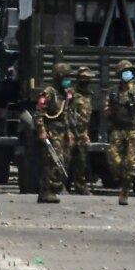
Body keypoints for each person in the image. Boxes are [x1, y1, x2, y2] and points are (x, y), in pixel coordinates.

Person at [105, 60, 135, 205]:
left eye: (130, 71)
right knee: (114, 160)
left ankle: (125, 190)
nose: (128, 74)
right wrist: (110, 109)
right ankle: (120, 177)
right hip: (117, 129)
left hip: (133, 130)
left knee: (131, 162)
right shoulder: (112, 92)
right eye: (124, 72)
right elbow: (106, 109)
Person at [35, 63, 73, 204]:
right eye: (65, 77)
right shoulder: (49, 93)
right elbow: (38, 113)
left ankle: (50, 190)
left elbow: (66, 115)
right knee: (54, 161)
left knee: (62, 161)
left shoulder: (64, 94)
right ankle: (47, 191)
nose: (68, 80)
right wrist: (42, 130)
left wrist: (68, 133)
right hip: (51, 131)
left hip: (61, 131)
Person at [65, 67, 96, 195]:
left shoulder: (89, 95)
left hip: (82, 133)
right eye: (83, 78)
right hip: (71, 131)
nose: (86, 80)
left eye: (88, 78)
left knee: (81, 161)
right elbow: (65, 112)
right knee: (67, 160)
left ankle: (80, 186)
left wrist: (86, 134)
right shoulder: (71, 94)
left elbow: (87, 117)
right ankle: (64, 186)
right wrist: (67, 132)